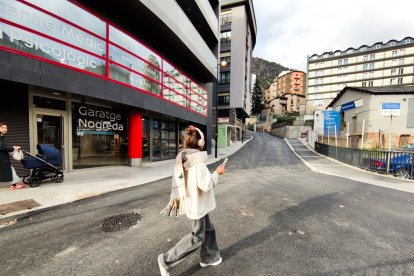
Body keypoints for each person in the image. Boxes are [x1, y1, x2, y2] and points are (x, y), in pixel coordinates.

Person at [158, 125, 225, 276]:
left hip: (195, 203)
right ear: (200, 143)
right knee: (197, 237)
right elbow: (206, 184)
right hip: (198, 204)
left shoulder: (184, 158)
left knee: (209, 229)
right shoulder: (198, 162)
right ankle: (166, 260)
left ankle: (209, 257)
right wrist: (217, 173)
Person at [0, 122, 26, 190]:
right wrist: (14, 148)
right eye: (2, 127)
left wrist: (12, 148)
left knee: (11, 170)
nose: (5, 129)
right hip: (2, 159)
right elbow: (2, 147)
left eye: (6, 128)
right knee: (10, 170)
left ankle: (14, 185)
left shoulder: (1, 137)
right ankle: (14, 185)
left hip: (2, 157)